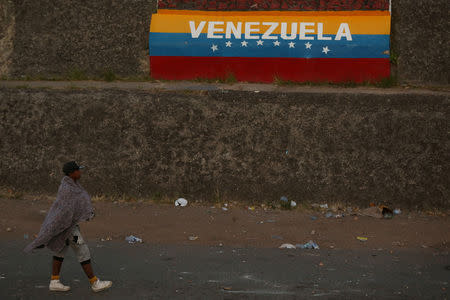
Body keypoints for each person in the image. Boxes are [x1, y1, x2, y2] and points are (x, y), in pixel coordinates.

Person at [24, 161, 112, 293]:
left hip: (66, 227)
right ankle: (95, 283)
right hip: (69, 229)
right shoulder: (68, 188)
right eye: (78, 170)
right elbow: (64, 211)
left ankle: (54, 281)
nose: (80, 172)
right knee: (82, 249)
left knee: (60, 250)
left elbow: (73, 207)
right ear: (72, 173)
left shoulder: (72, 185)